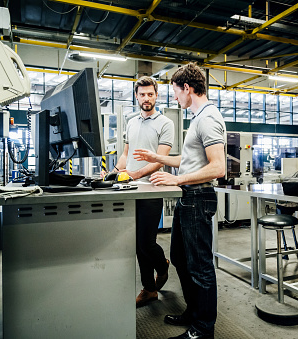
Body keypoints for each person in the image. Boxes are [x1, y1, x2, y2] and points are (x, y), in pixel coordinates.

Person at [134, 63, 226, 339]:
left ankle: (202, 329)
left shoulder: (208, 118)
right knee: (179, 258)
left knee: (200, 267)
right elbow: (186, 161)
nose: (174, 98)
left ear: (187, 88)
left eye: (176, 92)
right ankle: (193, 313)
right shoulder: (197, 118)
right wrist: (157, 158)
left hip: (198, 197)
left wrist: (177, 180)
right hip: (189, 198)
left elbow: (218, 167)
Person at [104, 76, 174, 307]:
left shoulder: (165, 123)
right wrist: (113, 172)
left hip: (151, 188)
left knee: (146, 242)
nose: (146, 98)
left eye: (150, 94)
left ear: (156, 95)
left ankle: (162, 265)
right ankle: (149, 288)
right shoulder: (131, 122)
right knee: (136, 243)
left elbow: (160, 160)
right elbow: (125, 155)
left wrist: (136, 174)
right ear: (136, 96)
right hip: (130, 189)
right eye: (142, 94)